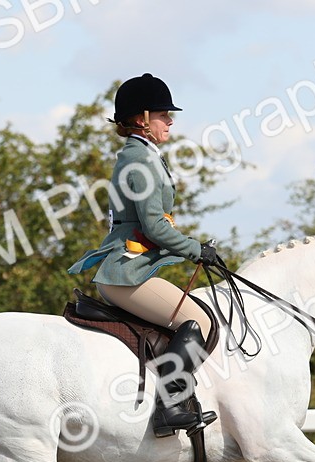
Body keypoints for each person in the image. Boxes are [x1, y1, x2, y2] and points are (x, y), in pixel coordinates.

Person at [69, 73, 221, 439]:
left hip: (133, 268)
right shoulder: (140, 160)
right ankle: (170, 407)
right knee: (198, 322)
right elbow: (154, 226)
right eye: (163, 114)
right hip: (125, 273)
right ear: (141, 118)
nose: (170, 120)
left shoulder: (143, 155)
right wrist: (195, 250)